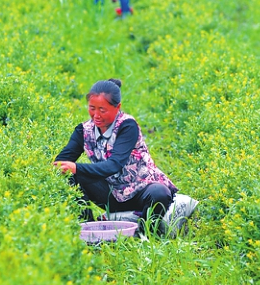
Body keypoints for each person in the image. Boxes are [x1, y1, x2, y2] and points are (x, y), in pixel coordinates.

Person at [53, 79, 178, 229]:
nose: (96, 115)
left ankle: (144, 232)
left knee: (160, 193)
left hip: (141, 190)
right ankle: (88, 226)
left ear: (117, 107)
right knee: (68, 174)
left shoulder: (127, 126)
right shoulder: (83, 131)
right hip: (112, 194)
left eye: (102, 110)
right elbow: (61, 161)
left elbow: (114, 164)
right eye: (92, 108)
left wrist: (77, 167)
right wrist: (65, 167)